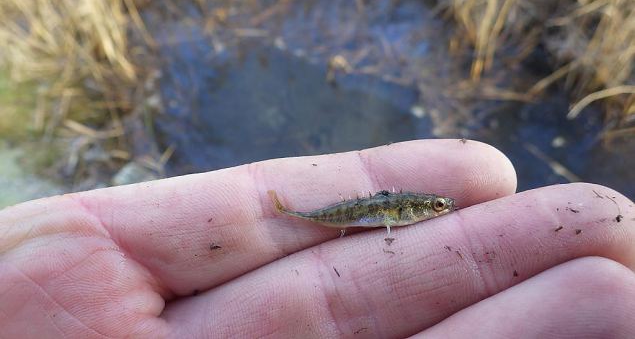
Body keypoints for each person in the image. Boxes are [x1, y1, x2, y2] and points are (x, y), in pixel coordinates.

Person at [0, 139, 633, 338]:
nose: (438, 210)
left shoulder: (408, 211)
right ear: (420, 208)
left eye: (437, 207)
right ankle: (286, 210)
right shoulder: (400, 211)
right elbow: (388, 215)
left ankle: (288, 210)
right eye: (435, 206)